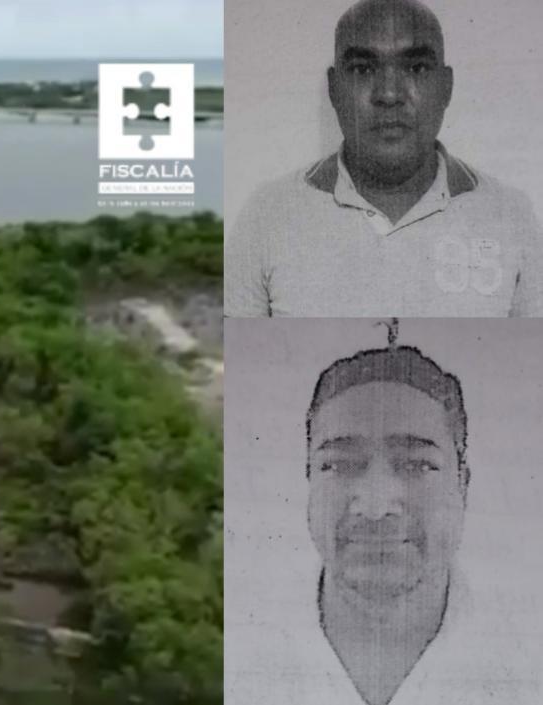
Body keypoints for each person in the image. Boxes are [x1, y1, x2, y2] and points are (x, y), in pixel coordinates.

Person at [226, 339, 543, 704]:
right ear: (310, 480)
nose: (376, 507)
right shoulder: (236, 647)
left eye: (416, 465)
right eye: (341, 465)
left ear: (462, 485)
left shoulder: (527, 661)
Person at [225, 0, 543, 317]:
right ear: (334, 89)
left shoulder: (511, 216)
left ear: (446, 87)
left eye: (416, 68)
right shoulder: (268, 216)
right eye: (363, 69)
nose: (389, 95)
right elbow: (232, 364)